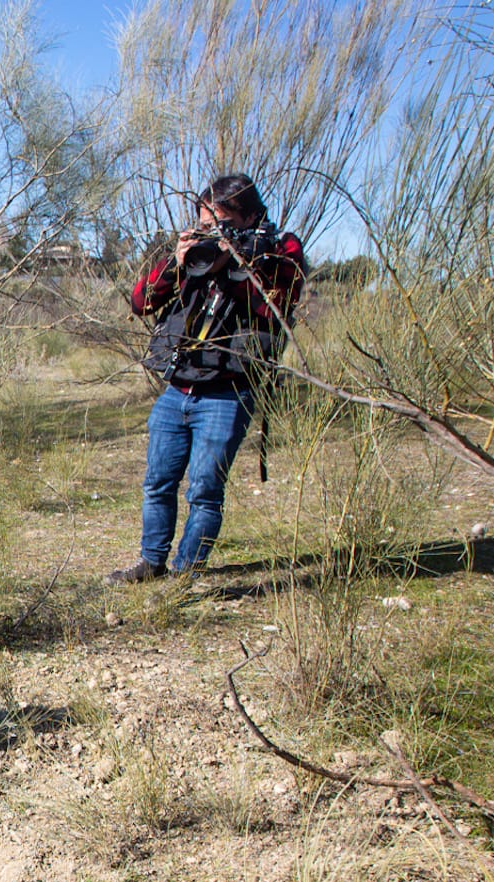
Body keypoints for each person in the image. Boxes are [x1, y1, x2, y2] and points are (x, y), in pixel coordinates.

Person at [107, 173, 306, 585]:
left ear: (250, 216)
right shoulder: (193, 254)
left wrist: (242, 262)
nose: (211, 233)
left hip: (227, 392)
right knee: (158, 482)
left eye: (221, 223)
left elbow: (279, 307)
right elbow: (142, 301)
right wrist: (179, 262)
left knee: (204, 490)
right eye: (204, 223)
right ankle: (151, 562)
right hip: (177, 388)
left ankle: (184, 575)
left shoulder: (276, 251)